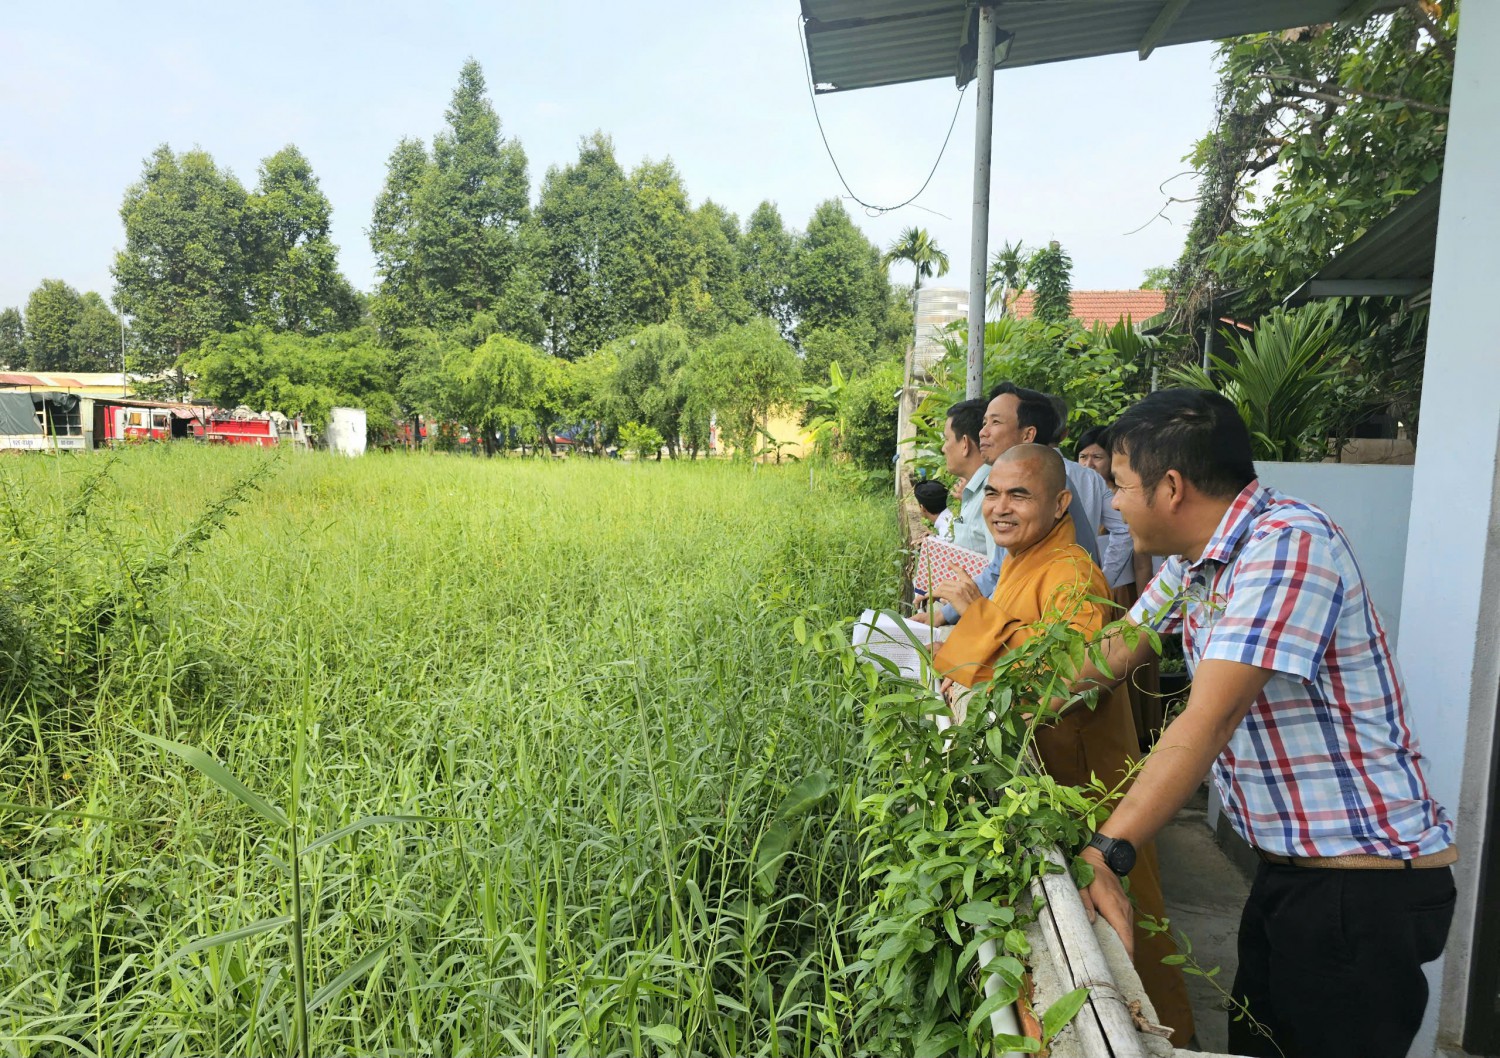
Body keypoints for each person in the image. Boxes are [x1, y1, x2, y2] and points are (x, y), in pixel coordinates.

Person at [1071, 389, 1455, 1058]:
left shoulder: (1285, 546)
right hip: (1291, 872)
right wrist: (995, 700)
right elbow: (1109, 653)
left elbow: (1209, 719)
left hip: (1360, 887)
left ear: (1171, 487)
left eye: (1119, 486)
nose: (1113, 505)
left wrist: (1109, 849)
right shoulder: (1195, 563)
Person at [927, 444, 1195, 1043]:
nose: (1000, 508)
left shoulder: (1072, 571)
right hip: (1043, 781)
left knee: (1131, 932)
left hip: (1085, 787)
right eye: (992, 493)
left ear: (1060, 503)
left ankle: (1167, 1042)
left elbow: (1065, 677)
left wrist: (977, 613)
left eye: (1019, 495)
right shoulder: (1023, 560)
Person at [1078, 424, 1163, 746]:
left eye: (1097, 457)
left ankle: (1139, 735)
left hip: (1120, 593)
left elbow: (1141, 560)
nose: (1089, 464)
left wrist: (1143, 600)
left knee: (1129, 663)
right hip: (1101, 592)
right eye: (1083, 456)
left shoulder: (1124, 505)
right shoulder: (1091, 497)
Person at [940, 398, 996, 557]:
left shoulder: (992, 494)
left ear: (965, 444)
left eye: (946, 439)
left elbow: (998, 569)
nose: (943, 448)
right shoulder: (973, 491)